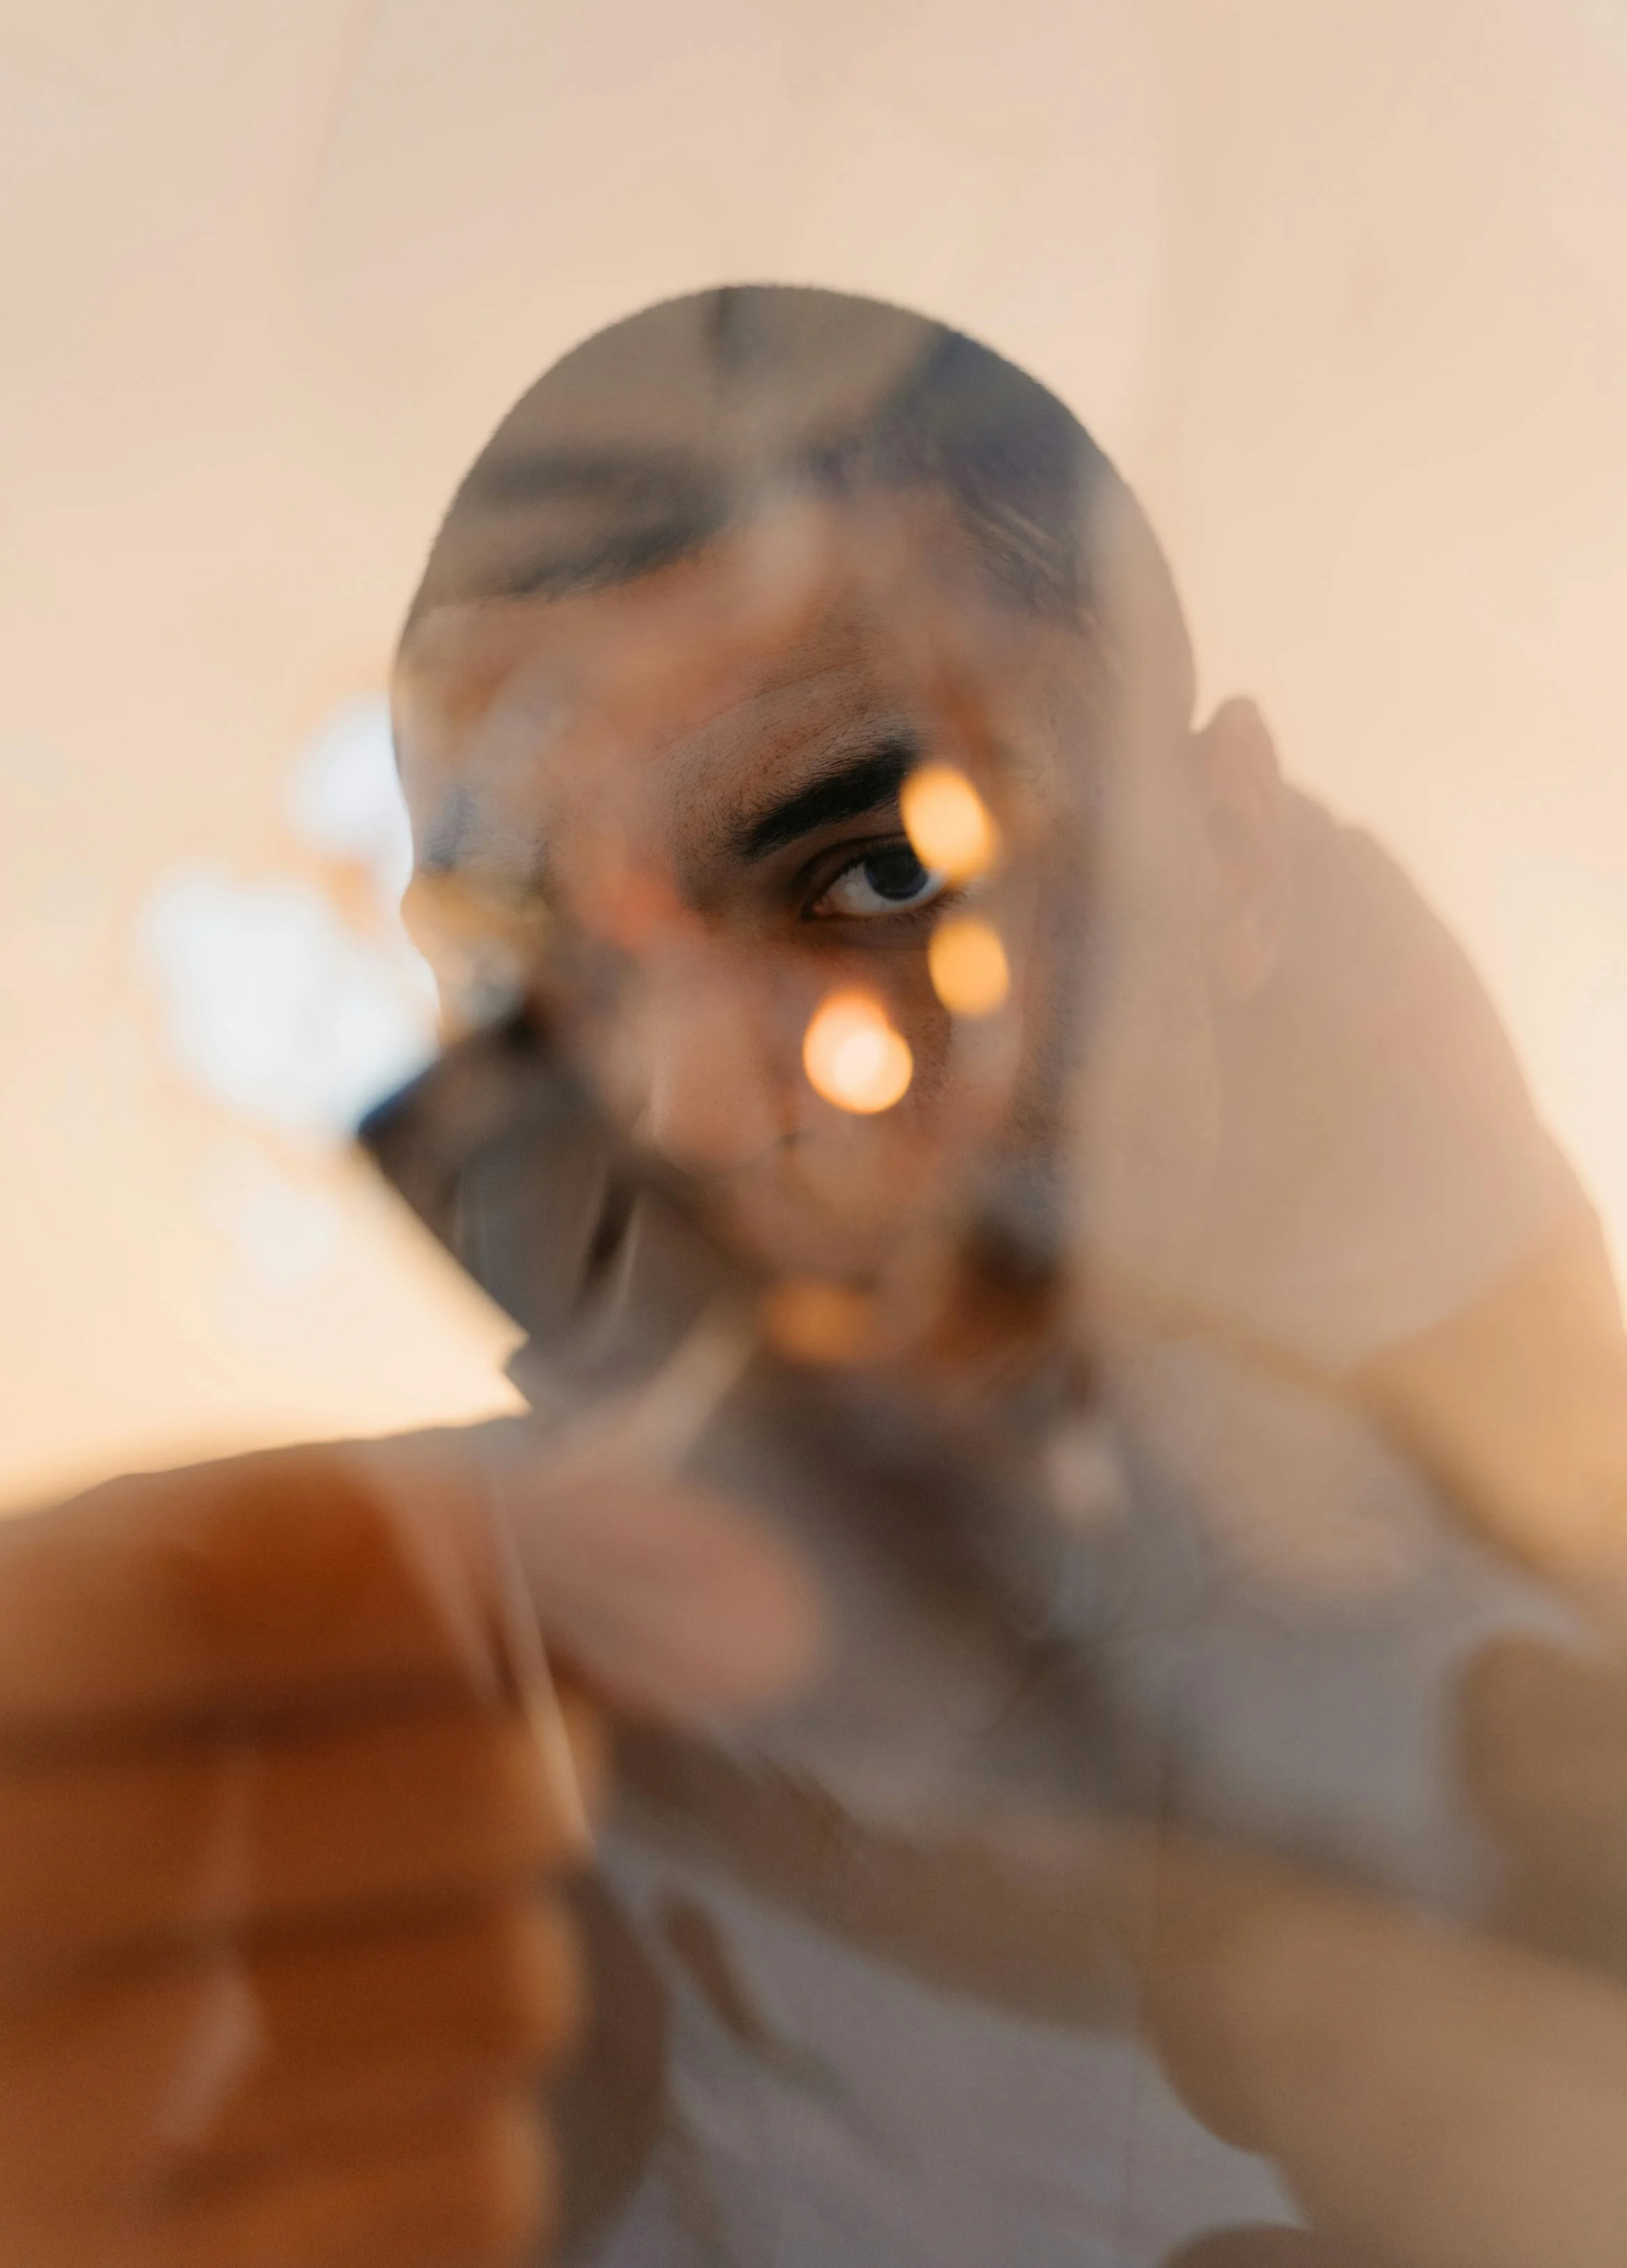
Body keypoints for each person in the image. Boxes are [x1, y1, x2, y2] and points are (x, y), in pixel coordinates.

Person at [4, 285, 1627, 2268]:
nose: (680, 1110)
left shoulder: (1539, 1721)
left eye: (877, 872)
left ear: (1226, 852)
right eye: (540, 975)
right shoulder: (330, 1792)